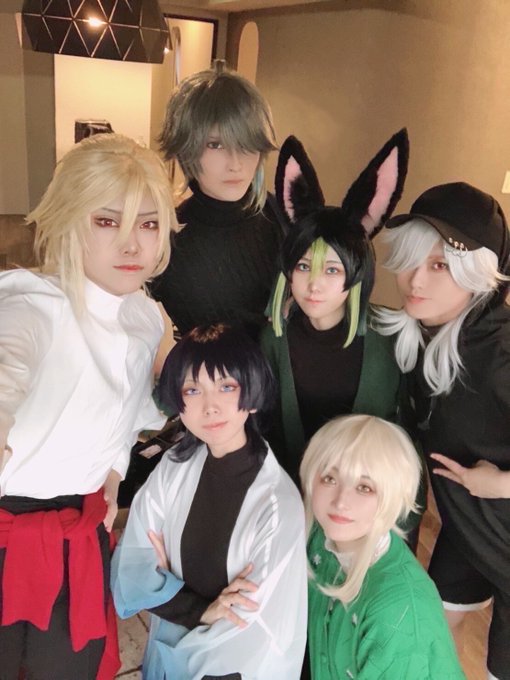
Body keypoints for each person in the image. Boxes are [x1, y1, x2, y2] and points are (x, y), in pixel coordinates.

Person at [0, 133, 176, 680]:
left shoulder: (147, 318)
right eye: (106, 221)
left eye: (148, 224)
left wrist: (114, 475)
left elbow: (127, 420)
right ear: (68, 219)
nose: (131, 245)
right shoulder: (29, 304)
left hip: (79, 533)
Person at [111, 324, 307, 680]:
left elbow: (248, 626)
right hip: (163, 665)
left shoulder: (277, 505)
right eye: (192, 390)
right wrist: (201, 611)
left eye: (227, 387)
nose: (210, 407)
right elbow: (133, 569)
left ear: (252, 392)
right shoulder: (174, 467)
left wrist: (169, 586)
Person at [374, 182, 510, 680]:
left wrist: (500, 483)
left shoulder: (500, 356)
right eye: (413, 259)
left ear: (478, 273)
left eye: (440, 265)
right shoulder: (423, 332)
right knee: (429, 637)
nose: (415, 279)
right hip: (469, 530)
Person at [260, 131, 410, 483]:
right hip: (293, 490)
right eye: (303, 267)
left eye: (332, 270)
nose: (314, 285)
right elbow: (267, 425)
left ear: (357, 272)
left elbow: (406, 429)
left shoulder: (391, 334)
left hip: (369, 497)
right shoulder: (274, 337)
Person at [301, 414, 465, 679]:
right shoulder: (321, 542)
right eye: (330, 478)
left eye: (364, 487)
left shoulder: (396, 612)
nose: (341, 501)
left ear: (394, 497)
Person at [151, 60, 285, 340]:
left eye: (246, 144)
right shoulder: (166, 240)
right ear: (186, 147)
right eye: (215, 145)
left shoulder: (285, 221)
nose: (235, 164)